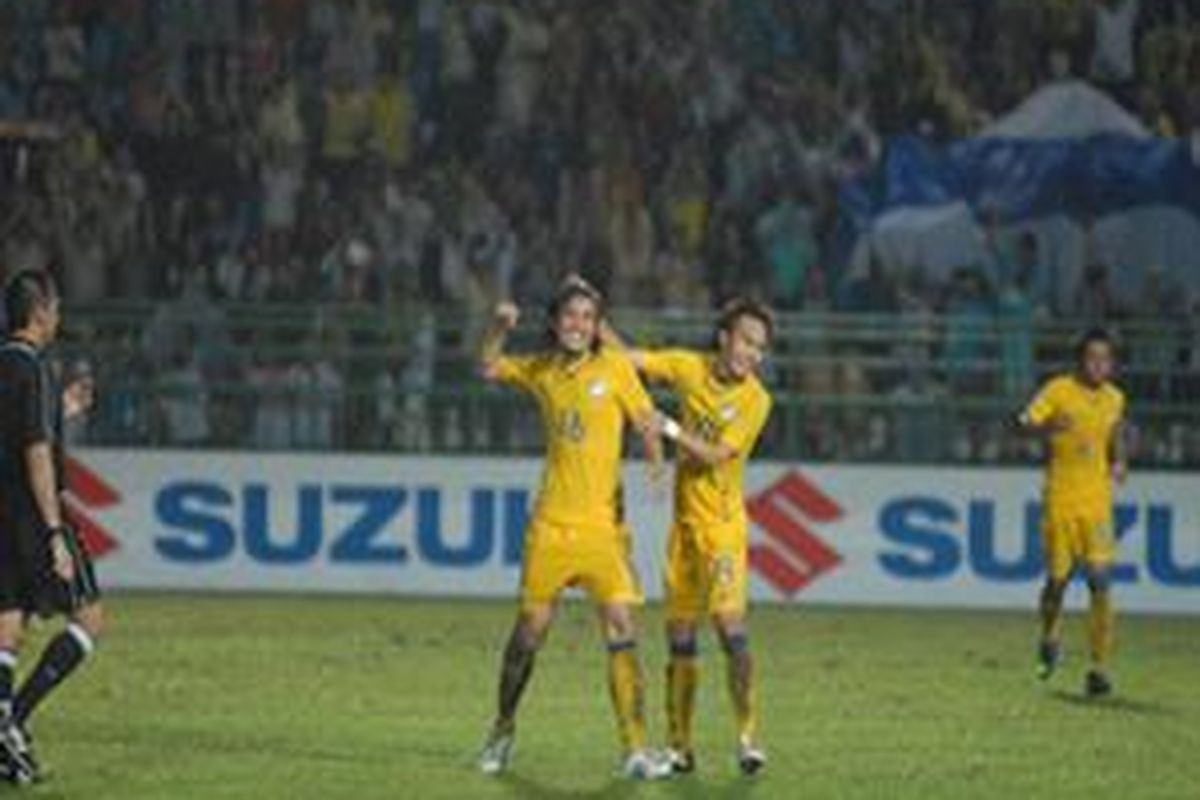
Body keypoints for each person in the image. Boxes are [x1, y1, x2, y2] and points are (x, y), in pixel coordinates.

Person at [475, 276, 670, 780]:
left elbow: (646, 417)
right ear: (556, 322)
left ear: (597, 324)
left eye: (587, 317)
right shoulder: (542, 370)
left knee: (623, 629)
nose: (578, 325)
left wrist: (654, 458)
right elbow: (489, 365)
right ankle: (502, 727)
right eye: (570, 316)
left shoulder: (616, 368)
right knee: (528, 636)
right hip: (552, 529)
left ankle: (634, 749)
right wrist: (497, 327)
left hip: (604, 531)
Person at [604, 298, 774, 775]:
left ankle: (747, 737)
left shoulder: (757, 400)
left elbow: (716, 456)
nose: (752, 354)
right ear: (724, 337)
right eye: (746, 341)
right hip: (683, 531)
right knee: (680, 638)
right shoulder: (688, 366)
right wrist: (598, 323)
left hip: (722, 530)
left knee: (731, 631)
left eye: (759, 348)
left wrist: (671, 428)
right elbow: (630, 359)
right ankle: (680, 747)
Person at [0, 270, 105, 784]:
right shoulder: (36, 368)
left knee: (9, 621)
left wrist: (61, 409)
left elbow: (18, 423)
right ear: (39, 312)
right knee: (89, 619)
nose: (59, 315)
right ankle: (12, 720)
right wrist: (53, 532)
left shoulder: (4, 364)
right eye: (56, 306)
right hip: (32, 514)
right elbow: (36, 450)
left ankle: (4, 728)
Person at [1018, 328, 1127, 697]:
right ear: (1079, 360)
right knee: (1058, 583)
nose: (1100, 365)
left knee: (1100, 581)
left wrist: (1119, 460)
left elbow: (1116, 433)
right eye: (1093, 357)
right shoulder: (1057, 390)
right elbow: (1022, 425)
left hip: (1097, 504)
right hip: (1060, 502)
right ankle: (1049, 636)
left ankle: (1098, 667)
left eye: (1106, 359)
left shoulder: (1114, 398)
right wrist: (1047, 426)